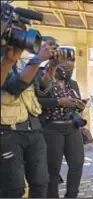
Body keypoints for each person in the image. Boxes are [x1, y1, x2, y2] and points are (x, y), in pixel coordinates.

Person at [0, 41, 57, 198]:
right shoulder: (6, 61)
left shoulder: (24, 62)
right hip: (7, 132)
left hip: (34, 129)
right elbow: (14, 87)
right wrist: (37, 59)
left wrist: (52, 67)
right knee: (13, 188)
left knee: (41, 183)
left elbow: (41, 90)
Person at [36, 47, 86, 198]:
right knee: (53, 170)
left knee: (77, 165)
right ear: (57, 62)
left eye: (72, 66)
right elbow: (36, 101)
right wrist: (59, 102)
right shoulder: (42, 77)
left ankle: (71, 195)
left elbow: (76, 101)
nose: (69, 69)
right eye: (65, 65)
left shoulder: (73, 83)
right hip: (52, 129)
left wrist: (79, 105)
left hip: (73, 128)